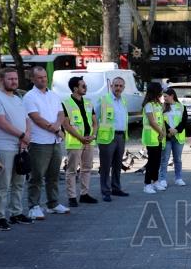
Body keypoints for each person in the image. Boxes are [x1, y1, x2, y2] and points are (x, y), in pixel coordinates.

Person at [23, 66, 69, 219]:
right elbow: (36, 118)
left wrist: (57, 126)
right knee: (37, 176)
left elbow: (61, 113)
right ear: (33, 79)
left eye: (44, 77)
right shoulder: (29, 97)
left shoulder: (53, 95)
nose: (43, 80)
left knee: (54, 175)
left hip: (54, 141)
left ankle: (53, 203)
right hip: (39, 142)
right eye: (39, 77)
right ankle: (34, 206)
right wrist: (55, 129)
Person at [0, 67, 32, 230]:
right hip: (4, 146)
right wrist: (23, 135)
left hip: (21, 146)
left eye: (15, 78)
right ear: (2, 80)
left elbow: (27, 120)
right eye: (10, 79)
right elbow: (2, 122)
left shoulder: (18, 98)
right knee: (3, 184)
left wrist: (26, 137)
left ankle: (16, 213)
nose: (14, 81)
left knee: (19, 182)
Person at [62, 76, 98, 207]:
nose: (85, 87)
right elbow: (66, 125)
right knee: (71, 170)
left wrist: (93, 135)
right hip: (75, 142)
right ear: (75, 88)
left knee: (87, 168)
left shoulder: (88, 102)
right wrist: (81, 137)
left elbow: (95, 122)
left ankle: (84, 194)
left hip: (89, 141)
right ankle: (72, 196)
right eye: (83, 86)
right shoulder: (66, 103)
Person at [96, 77, 130, 202]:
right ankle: (105, 191)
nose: (118, 88)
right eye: (116, 85)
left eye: (121, 86)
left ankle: (116, 188)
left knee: (117, 164)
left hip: (121, 137)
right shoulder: (104, 100)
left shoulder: (124, 101)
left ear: (124, 88)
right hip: (107, 138)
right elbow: (94, 118)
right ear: (111, 86)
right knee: (105, 166)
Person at [158, 87, 188, 188]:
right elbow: (161, 120)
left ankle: (178, 178)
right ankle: (162, 179)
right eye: (163, 97)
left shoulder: (181, 106)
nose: (164, 98)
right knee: (164, 159)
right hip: (167, 137)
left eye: (165, 96)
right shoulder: (162, 107)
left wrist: (176, 130)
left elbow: (184, 122)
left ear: (172, 96)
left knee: (178, 159)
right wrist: (169, 130)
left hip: (178, 137)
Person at [141, 82, 165, 194]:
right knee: (151, 161)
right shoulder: (148, 105)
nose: (162, 92)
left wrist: (162, 131)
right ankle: (147, 184)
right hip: (151, 136)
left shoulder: (158, 105)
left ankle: (155, 181)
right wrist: (161, 132)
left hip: (158, 136)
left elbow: (161, 121)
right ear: (155, 91)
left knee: (157, 161)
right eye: (160, 90)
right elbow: (151, 121)